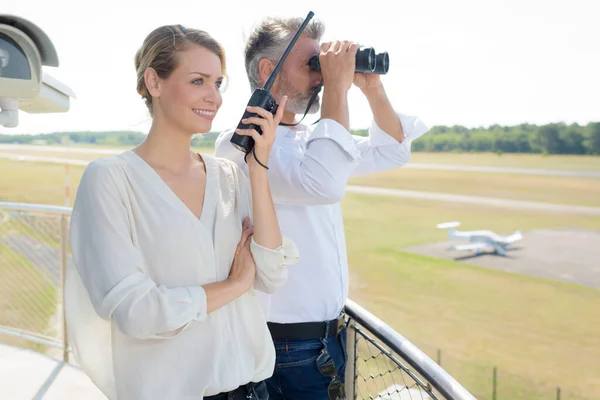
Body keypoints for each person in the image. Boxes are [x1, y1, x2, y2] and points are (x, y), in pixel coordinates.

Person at [63, 24, 299, 400]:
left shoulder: (227, 176)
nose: (214, 97)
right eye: (198, 81)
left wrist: (258, 167)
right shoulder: (110, 180)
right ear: (154, 82)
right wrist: (234, 286)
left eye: (218, 83)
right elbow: (137, 312)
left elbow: (272, 274)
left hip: (252, 391)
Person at [214, 16, 429, 400]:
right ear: (269, 70)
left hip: (325, 340)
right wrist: (338, 92)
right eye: (312, 65)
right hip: (285, 347)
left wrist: (371, 87)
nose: (321, 76)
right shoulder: (241, 142)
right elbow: (324, 183)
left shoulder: (314, 138)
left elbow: (393, 150)